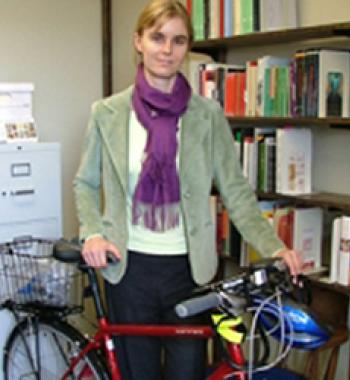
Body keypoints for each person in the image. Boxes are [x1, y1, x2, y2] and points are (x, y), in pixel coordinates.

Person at [74, 1, 303, 379]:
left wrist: (274, 246)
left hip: (190, 272)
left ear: (187, 47)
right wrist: (93, 233)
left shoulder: (206, 115)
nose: (167, 50)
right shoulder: (107, 112)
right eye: (158, 38)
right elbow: (85, 181)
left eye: (178, 40)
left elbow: (235, 189)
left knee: (188, 373)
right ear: (139, 42)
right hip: (128, 271)